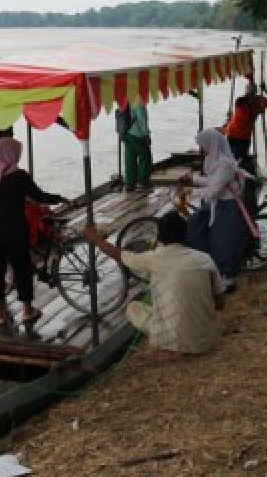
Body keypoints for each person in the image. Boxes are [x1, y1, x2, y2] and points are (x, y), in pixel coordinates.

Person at [82, 211, 226, 355]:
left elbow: (117, 254)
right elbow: (220, 304)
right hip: (208, 340)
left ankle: (170, 342)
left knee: (133, 308)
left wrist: (94, 238)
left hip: (176, 342)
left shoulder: (155, 259)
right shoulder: (205, 258)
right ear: (186, 234)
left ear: (160, 237)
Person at [0, 138, 65, 326]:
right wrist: (59, 198)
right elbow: (39, 196)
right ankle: (27, 311)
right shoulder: (20, 177)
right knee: (22, 270)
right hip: (14, 232)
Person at [182, 129, 253, 286]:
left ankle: (228, 278)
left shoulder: (225, 164)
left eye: (203, 145)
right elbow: (210, 180)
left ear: (211, 143)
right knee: (195, 225)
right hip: (216, 203)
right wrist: (193, 179)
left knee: (223, 241)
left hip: (228, 205)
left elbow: (214, 188)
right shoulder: (211, 159)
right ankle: (208, 266)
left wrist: (193, 192)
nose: (202, 148)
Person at [221, 76, 267, 163]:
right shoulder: (240, 101)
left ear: (255, 92)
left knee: (240, 158)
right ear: (246, 91)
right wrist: (258, 110)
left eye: (252, 91)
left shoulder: (259, 100)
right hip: (233, 133)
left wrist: (265, 90)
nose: (250, 93)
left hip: (244, 135)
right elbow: (247, 113)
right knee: (230, 156)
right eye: (249, 91)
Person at [123, 103, 152, 191]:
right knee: (145, 156)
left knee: (130, 158)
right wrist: (146, 134)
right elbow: (141, 118)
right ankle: (143, 183)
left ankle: (130, 183)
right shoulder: (138, 100)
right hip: (137, 134)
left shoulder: (124, 98)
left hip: (125, 133)